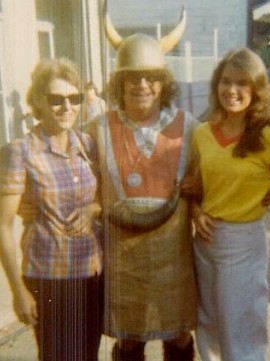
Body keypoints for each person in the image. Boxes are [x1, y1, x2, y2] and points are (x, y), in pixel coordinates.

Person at [88, 8, 197, 361]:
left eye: (151, 77)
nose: (142, 85)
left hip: (173, 258)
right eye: (132, 78)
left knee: (179, 338)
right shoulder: (97, 128)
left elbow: (214, 172)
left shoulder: (190, 126)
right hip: (125, 260)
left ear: (164, 83)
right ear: (119, 84)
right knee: (129, 341)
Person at [184, 48, 270, 361]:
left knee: (242, 329)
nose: (232, 90)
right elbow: (193, 187)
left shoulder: (268, 137)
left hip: (244, 241)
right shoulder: (201, 133)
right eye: (225, 81)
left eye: (242, 83)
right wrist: (195, 212)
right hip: (205, 241)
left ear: (256, 89)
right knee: (207, 324)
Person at [0, 58, 104, 361]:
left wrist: (93, 208)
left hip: (92, 273)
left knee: (88, 355)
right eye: (56, 99)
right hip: (49, 277)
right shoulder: (19, 152)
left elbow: (102, 196)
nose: (66, 107)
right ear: (38, 101)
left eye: (74, 98)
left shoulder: (86, 144)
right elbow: (3, 226)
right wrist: (18, 290)